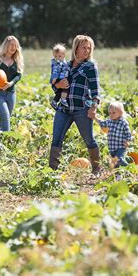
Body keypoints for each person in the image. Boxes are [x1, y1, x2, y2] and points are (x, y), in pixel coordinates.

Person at [49, 35, 102, 176]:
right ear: (76, 48)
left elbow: (96, 90)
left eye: (89, 48)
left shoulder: (90, 66)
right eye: (83, 47)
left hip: (82, 109)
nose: (86, 50)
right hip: (64, 109)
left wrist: (94, 107)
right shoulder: (65, 65)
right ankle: (52, 172)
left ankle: (97, 169)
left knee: (89, 139)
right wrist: (57, 85)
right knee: (56, 139)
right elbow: (57, 88)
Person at [0, 35, 24, 131]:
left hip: (11, 94)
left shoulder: (17, 59)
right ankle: (7, 140)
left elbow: (19, 75)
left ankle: (1, 141)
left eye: (15, 45)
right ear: (6, 46)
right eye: (11, 45)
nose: (13, 47)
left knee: (5, 119)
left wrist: (11, 83)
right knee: (5, 117)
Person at [96, 101, 132, 168]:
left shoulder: (123, 122)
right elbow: (102, 123)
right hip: (112, 146)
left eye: (114, 113)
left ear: (120, 112)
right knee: (115, 163)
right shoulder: (109, 121)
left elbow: (128, 133)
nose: (111, 115)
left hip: (121, 146)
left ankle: (129, 167)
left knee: (118, 159)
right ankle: (118, 175)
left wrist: (128, 141)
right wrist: (95, 118)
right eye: (110, 113)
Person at [49, 43, 70, 109]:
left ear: (64, 55)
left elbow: (66, 69)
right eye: (55, 56)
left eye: (59, 56)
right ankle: (63, 99)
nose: (57, 58)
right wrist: (54, 78)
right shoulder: (57, 64)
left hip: (62, 78)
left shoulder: (64, 62)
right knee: (66, 88)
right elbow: (55, 72)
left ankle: (55, 101)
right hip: (57, 79)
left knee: (60, 92)